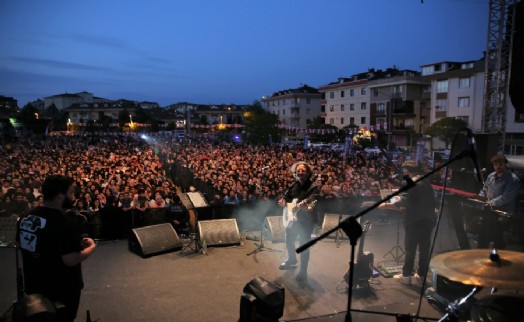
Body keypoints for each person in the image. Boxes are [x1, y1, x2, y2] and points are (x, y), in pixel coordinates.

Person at [17, 174, 96, 322]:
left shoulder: (26, 216)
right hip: (61, 290)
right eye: (71, 192)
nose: (73, 197)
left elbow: (21, 245)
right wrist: (91, 247)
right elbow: (71, 259)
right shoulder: (64, 222)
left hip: (34, 285)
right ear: (60, 196)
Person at [382, 161, 436, 285]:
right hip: (428, 220)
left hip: (414, 220)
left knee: (410, 249)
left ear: (407, 170)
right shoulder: (426, 181)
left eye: (404, 170)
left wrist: (389, 201)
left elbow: (402, 201)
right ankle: (421, 276)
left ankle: (406, 276)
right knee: (424, 250)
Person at [278, 161, 320, 282]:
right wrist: (283, 202)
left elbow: (314, 202)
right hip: (293, 217)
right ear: (295, 173)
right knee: (288, 240)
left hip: (306, 221)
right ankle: (292, 259)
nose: (300, 173)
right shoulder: (294, 185)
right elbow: (286, 197)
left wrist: (308, 207)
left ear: (308, 173)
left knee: (304, 246)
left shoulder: (314, 187)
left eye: (303, 171)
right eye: (298, 171)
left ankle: (303, 272)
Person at [478, 155, 520, 249]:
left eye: (500, 164)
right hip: (489, 211)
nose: (498, 167)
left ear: (505, 164)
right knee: (483, 238)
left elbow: (506, 197)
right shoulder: (491, 176)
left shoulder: (513, 179)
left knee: (499, 242)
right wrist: (480, 197)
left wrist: (490, 203)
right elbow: (484, 190)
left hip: (502, 214)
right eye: (495, 165)